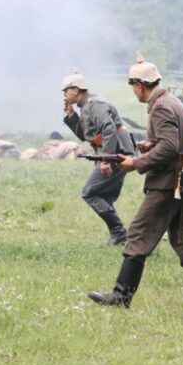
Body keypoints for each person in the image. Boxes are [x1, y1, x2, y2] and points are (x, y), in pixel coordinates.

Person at [87, 53, 183, 314]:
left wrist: (136, 163)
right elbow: (170, 144)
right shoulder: (171, 101)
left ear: (139, 85)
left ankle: (121, 295)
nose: (134, 92)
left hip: (169, 182)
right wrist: (147, 146)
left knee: (138, 235)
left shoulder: (161, 106)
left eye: (133, 87)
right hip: (182, 179)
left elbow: (169, 147)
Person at [61, 68, 133, 245]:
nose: (64, 94)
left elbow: (109, 130)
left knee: (89, 192)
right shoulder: (85, 107)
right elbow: (87, 136)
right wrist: (71, 115)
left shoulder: (95, 104)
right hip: (111, 151)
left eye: (66, 90)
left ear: (75, 90)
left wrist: (106, 160)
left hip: (117, 153)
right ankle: (120, 235)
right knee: (104, 196)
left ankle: (119, 232)